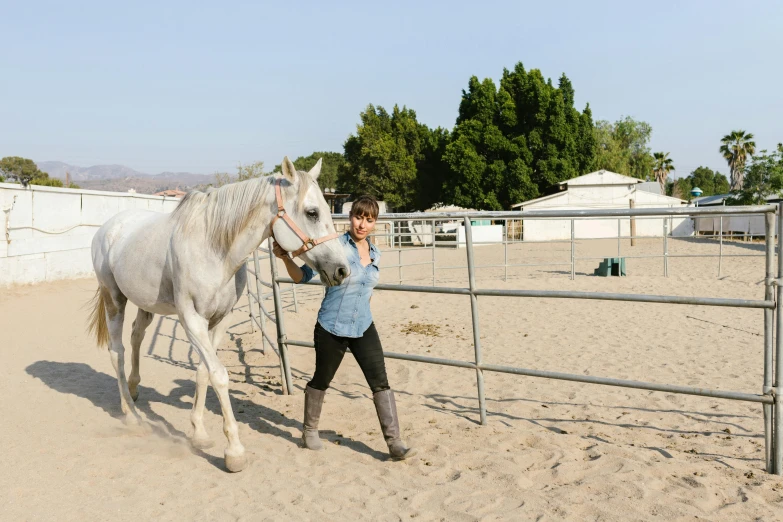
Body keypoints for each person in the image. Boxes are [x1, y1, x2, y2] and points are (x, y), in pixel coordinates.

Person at [272, 195, 417, 460]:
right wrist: (285, 259)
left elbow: (366, 290)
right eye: (358, 217)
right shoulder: (334, 245)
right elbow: (302, 277)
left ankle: (395, 442)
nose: (362, 224)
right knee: (322, 379)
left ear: (375, 223)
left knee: (380, 382)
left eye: (369, 220)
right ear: (350, 217)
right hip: (331, 326)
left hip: (363, 325)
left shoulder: (376, 253)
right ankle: (310, 430)